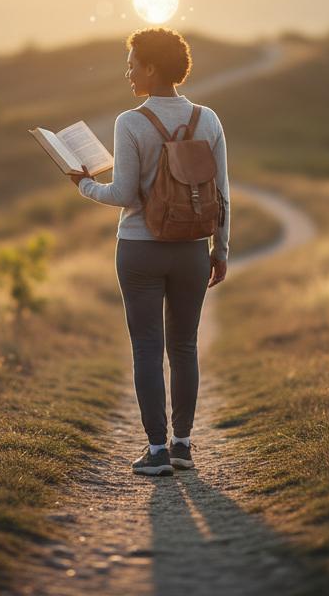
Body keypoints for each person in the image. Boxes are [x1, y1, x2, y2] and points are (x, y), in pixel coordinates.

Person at [70, 27, 230, 477]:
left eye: (133, 63)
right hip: (192, 249)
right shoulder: (209, 119)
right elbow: (222, 192)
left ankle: (156, 451)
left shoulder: (131, 121)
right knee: (185, 346)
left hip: (140, 249)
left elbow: (123, 194)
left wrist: (82, 184)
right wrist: (221, 249)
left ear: (152, 68)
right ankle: (182, 446)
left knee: (146, 347)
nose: (128, 71)